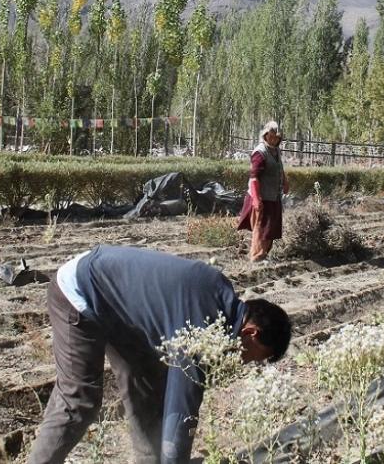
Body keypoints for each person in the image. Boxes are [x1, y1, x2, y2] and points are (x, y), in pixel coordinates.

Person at [28, 244, 292, 464]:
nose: (243, 361)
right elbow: (182, 404)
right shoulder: (204, 325)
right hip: (80, 289)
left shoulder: (219, 302)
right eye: (252, 356)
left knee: (146, 385)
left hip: (117, 305)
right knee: (79, 399)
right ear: (251, 333)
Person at [237, 121, 289, 262]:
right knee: (260, 229)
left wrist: (285, 181)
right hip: (261, 197)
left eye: (276, 137)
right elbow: (254, 177)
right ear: (265, 136)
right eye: (271, 136)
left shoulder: (276, 151)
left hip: (273, 196)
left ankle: (264, 255)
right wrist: (256, 199)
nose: (273, 139)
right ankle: (256, 258)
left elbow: (280, 168)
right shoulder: (260, 152)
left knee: (270, 229)